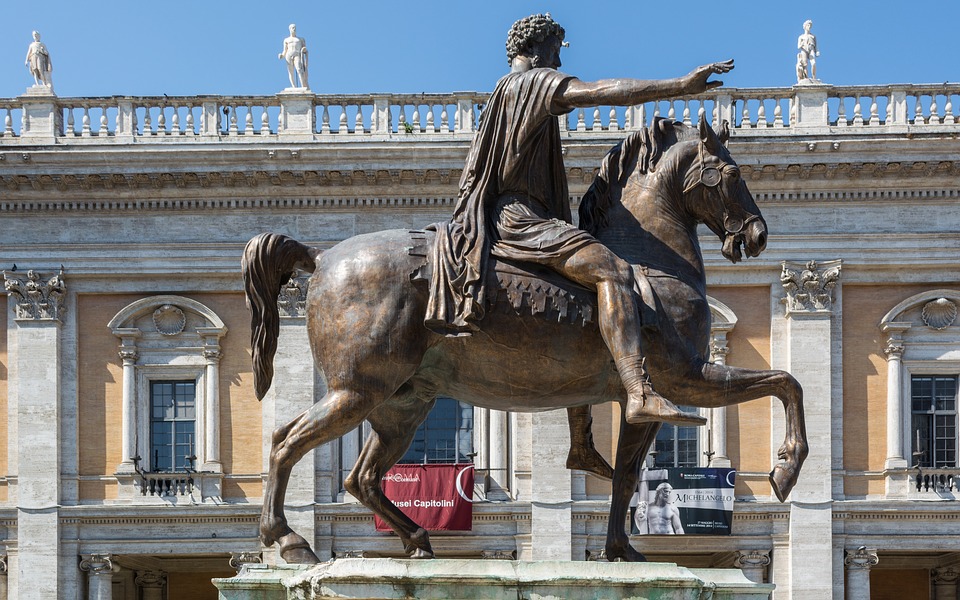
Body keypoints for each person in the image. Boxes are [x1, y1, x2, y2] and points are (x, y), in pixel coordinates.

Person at [426, 13, 730, 431]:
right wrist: (680, 86)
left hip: (505, 215)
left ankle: (581, 441)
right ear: (535, 50)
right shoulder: (533, 83)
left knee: (578, 303)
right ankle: (639, 390)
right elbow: (602, 92)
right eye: (554, 51)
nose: (558, 62)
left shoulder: (501, 92)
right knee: (612, 271)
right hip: (522, 219)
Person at [279, 24, 309, 89]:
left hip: (297, 54)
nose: (294, 29)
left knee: (299, 69)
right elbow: (285, 50)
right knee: (291, 72)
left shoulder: (300, 39)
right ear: (289, 29)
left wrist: (304, 50)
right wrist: (282, 55)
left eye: (295, 28)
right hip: (289, 55)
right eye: (292, 28)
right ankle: (294, 87)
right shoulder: (286, 40)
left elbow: (305, 49)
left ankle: (303, 86)